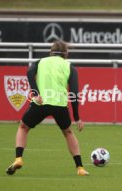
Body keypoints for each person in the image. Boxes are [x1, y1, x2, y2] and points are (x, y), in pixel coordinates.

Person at [6, 40, 89, 176]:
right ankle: (80, 168)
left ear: (51, 52)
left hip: (41, 102)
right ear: (66, 53)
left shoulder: (40, 62)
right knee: (68, 132)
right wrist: (77, 118)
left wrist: (36, 93)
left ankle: (19, 158)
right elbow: (74, 92)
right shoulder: (70, 67)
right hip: (60, 104)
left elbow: (29, 73)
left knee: (23, 127)